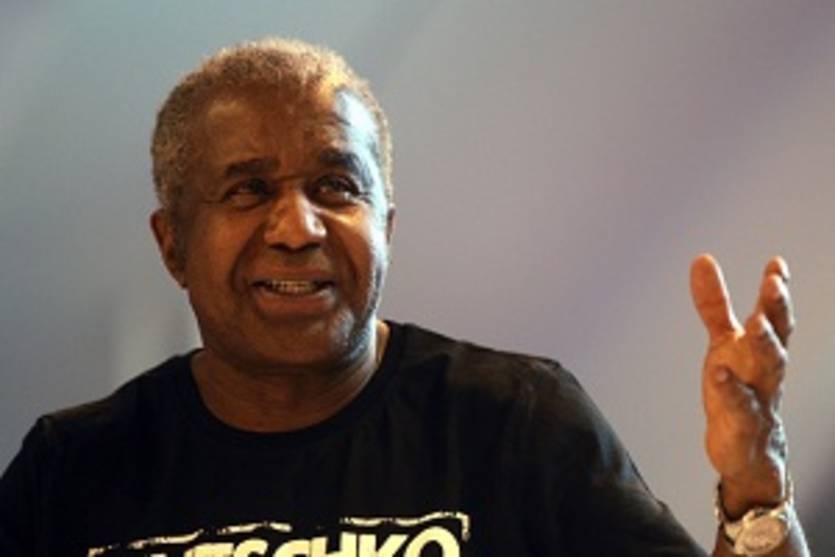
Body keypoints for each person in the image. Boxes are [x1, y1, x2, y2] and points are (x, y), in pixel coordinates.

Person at [0, 37, 810, 556]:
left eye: (335, 186)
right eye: (248, 190)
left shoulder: (514, 422)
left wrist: (754, 486)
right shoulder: (72, 471)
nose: (298, 227)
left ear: (384, 226)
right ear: (172, 243)